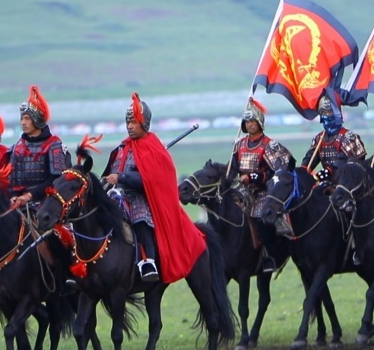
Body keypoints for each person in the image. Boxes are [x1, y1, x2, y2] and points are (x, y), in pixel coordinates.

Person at [102, 93, 207, 283]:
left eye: (134, 122)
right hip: (116, 196)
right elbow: (110, 173)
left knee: (140, 217)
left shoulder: (152, 147)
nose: (130, 126)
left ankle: (148, 260)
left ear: (144, 123)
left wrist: (122, 177)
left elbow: (150, 179)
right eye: (128, 122)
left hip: (140, 197)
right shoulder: (122, 148)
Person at [227, 97, 294, 273]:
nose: (249, 125)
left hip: (264, 192)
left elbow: (276, 172)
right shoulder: (239, 145)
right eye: (247, 121)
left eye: (252, 121)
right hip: (242, 191)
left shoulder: (269, 145)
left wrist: (254, 177)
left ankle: (271, 257)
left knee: (263, 221)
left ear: (259, 123)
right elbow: (233, 170)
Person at [8, 86, 69, 207]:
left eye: (27, 118)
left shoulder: (54, 146)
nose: (23, 123)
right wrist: (14, 196)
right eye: (22, 118)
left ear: (37, 120)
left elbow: (57, 180)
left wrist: (30, 196)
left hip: (48, 205)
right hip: (19, 204)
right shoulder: (17, 147)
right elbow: (12, 179)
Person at [301, 94, 366, 180]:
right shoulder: (319, 138)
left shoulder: (349, 137)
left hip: (346, 183)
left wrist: (328, 171)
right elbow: (310, 159)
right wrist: (302, 171)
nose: (327, 115)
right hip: (328, 182)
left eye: (330, 112)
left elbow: (345, 161)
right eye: (324, 112)